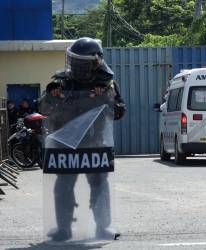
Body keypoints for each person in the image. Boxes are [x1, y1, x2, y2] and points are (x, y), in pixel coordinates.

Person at [41, 37, 126, 242]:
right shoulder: (61, 81)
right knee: (63, 186)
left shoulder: (106, 84)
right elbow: (44, 108)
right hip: (65, 145)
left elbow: (119, 112)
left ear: (94, 62)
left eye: (80, 61)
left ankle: (103, 227)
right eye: (74, 60)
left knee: (99, 185)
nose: (75, 65)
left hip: (94, 144)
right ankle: (63, 228)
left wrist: (105, 96)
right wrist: (51, 94)